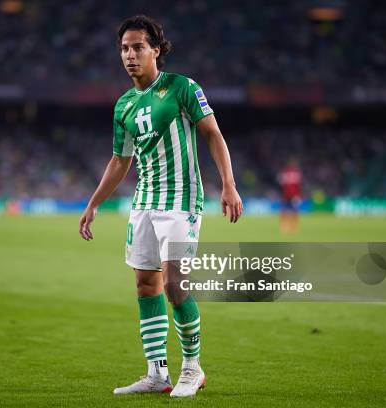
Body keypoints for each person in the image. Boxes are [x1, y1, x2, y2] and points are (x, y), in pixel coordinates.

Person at [79, 15, 243, 398]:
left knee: (175, 285)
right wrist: (93, 203)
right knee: (145, 284)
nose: (130, 55)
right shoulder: (123, 106)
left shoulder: (182, 88)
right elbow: (120, 160)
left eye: (138, 47)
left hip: (182, 202)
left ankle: (192, 367)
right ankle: (157, 373)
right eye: (124, 48)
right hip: (144, 204)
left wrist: (229, 186)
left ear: (156, 50)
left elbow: (213, 134)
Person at [278, 158, 302, 234]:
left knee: (289, 211)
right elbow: (298, 186)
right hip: (290, 196)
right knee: (290, 211)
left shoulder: (285, 172)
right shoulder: (296, 173)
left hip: (289, 195)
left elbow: (282, 184)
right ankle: (289, 226)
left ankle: (288, 226)